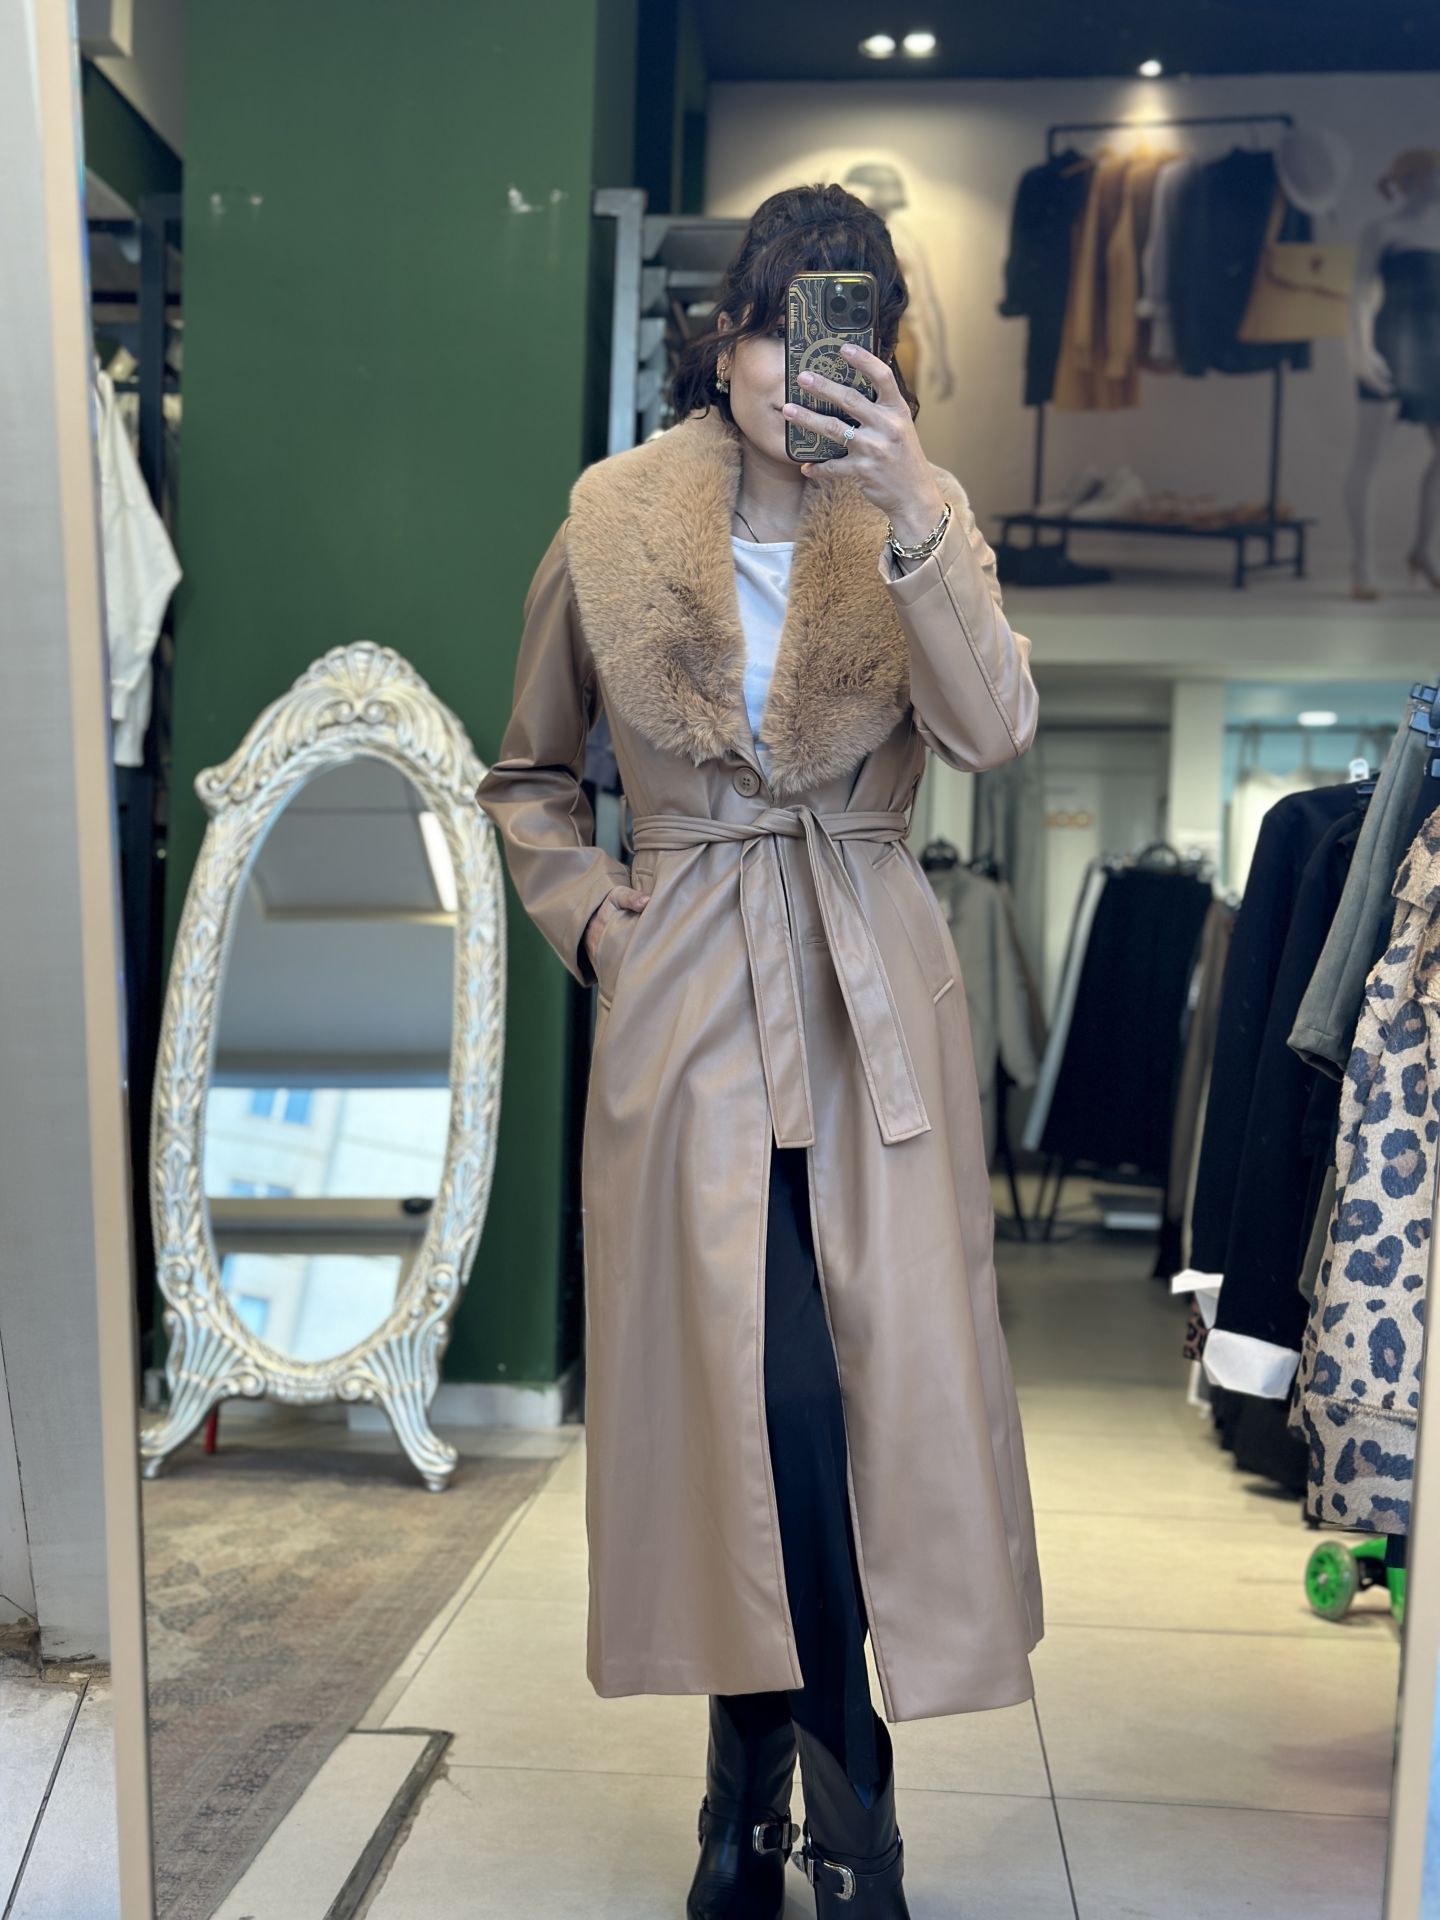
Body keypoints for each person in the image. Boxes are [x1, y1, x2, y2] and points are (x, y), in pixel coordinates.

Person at [475, 182, 1043, 1919]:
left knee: (841, 1418)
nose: (808, 368)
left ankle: (772, 1805)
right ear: (725, 343)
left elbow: (995, 728)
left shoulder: (918, 516)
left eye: (846, 334)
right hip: (695, 1007)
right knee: (759, 1411)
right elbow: (528, 777)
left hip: (869, 1003)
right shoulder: (614, 521)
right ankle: (825, 1813)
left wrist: (915, 506)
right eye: (782, 329)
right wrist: (600, 922)